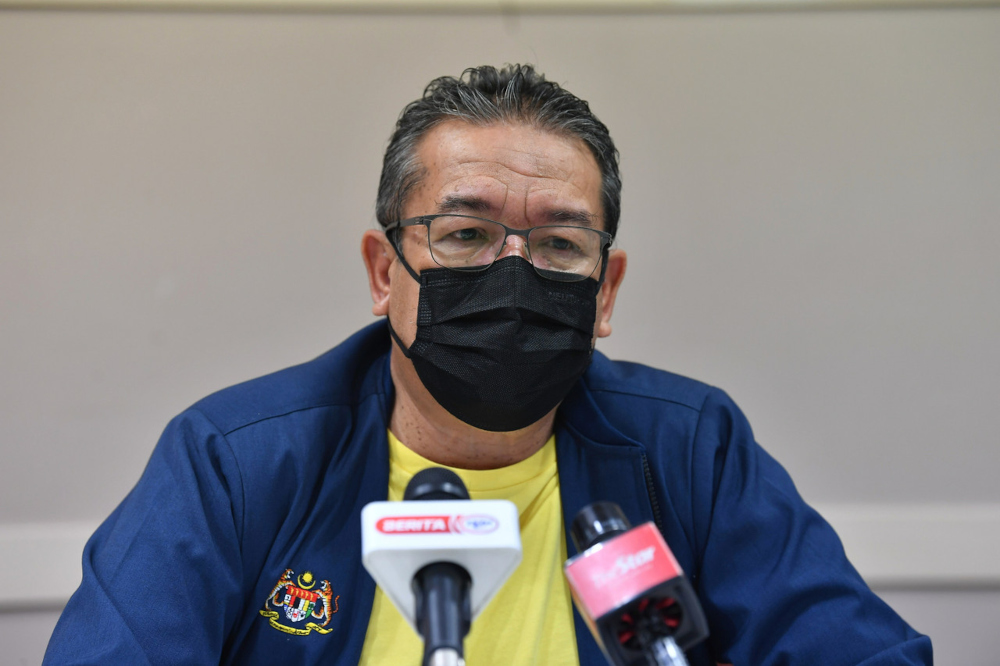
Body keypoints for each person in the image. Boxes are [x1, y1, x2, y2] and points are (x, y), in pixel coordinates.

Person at [44, 64, 932, 666]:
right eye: (465, 234)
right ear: (386, 271)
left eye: (558, 243)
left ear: (606, 289)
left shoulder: (693, 448)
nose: (514, 273)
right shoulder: (233, 463)